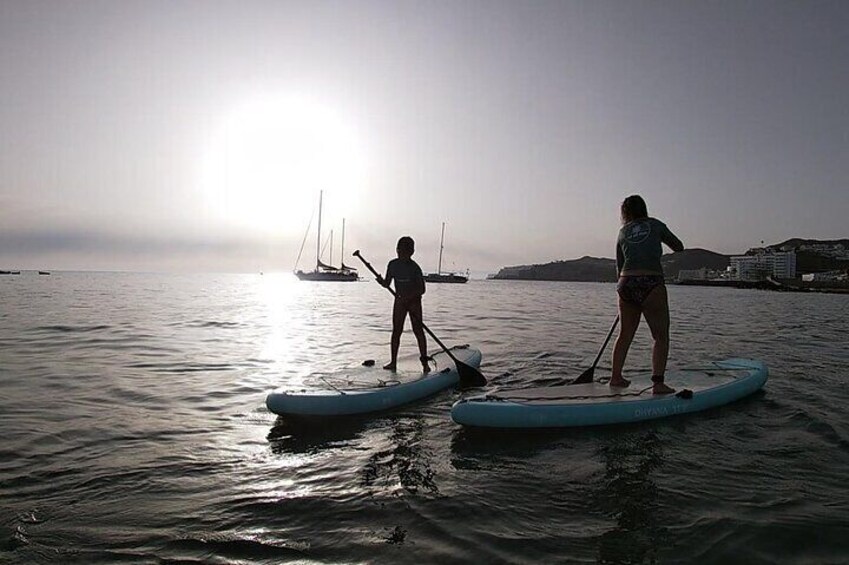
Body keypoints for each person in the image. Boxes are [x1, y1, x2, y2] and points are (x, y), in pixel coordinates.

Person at [610, 195, 684, 394]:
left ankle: (616, 378)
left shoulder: (622, 232)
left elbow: (619, 266)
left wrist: (625, 296)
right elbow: (679, 246)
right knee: (660, 336)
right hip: (651, 282)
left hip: (625, 283)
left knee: (624, 334)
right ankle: (658, 384)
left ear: (625, 213)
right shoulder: (656, 225)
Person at [377, 236, 430, 373]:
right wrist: (381, 281)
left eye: (405, 252)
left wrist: (409, 297)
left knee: (418, 331)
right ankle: (393, 362)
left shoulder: (415, 268)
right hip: (399, 302)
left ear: (411, 252)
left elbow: (422, 289)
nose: (402, 254)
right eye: (400, 251)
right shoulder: (392, 265)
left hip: (414, 302)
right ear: (397, 250)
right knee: (396, 331)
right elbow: (387, 284)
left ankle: (425, 363)